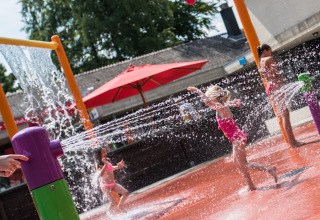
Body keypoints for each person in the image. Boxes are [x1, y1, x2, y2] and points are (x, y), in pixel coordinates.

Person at [188, 85, 277, 191]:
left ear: (214, 98)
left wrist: (197, 90)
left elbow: (207, 102)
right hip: (237, 138)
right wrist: (234, 103)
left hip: (237, 139)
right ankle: (251, 185)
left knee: (244, 163)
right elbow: (217, 103)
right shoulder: (222, 106)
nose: (209, 102)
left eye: (209, 97)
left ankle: (269, 169)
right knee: (237, 162)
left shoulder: (220, 107)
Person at [257, 44, 305, 148]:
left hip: (270, 89)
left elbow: (267, 77)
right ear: (265, 50)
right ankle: (293, 142)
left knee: (284, 114)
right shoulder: (268, 59)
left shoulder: (260, 62)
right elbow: (276, 75)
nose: (271, 53)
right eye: (270, 51)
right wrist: (282, 88)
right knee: (285, 115)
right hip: (276, 87)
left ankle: (291, 141)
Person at [93, 146, 129, 214]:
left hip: (113, 184)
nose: (105, 153)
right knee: (112, 202)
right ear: (99, 154)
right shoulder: (98, 164)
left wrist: (118, 166)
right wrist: (105, 164)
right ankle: (109, 216)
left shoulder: (107, 160)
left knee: (126, 193)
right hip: (105, 186)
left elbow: (110, 168)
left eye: (105, 151)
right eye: (103, 152)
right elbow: (101, 174)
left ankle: (120, 206)